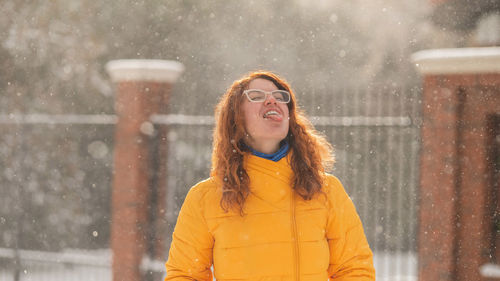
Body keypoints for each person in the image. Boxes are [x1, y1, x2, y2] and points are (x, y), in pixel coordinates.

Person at [165, 71, 375, 280]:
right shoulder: (205, 198)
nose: (272, 100)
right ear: (235, 117)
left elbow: (354, 269)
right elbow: (184, 275)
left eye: (280, 96)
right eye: (256, 96)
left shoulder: (326, 189)